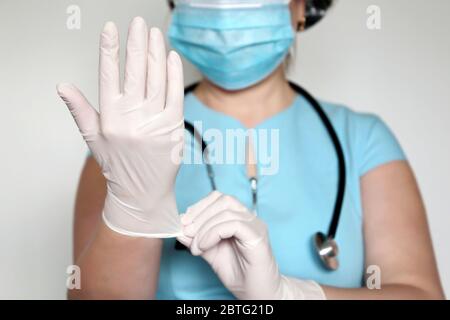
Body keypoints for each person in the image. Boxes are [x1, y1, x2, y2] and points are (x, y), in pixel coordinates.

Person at [57, 0, 444, 299]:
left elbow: (420, 293)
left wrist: (288, 296)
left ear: (302, 7)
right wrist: (134, 210)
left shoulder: (363, 139)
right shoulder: (127, 140)